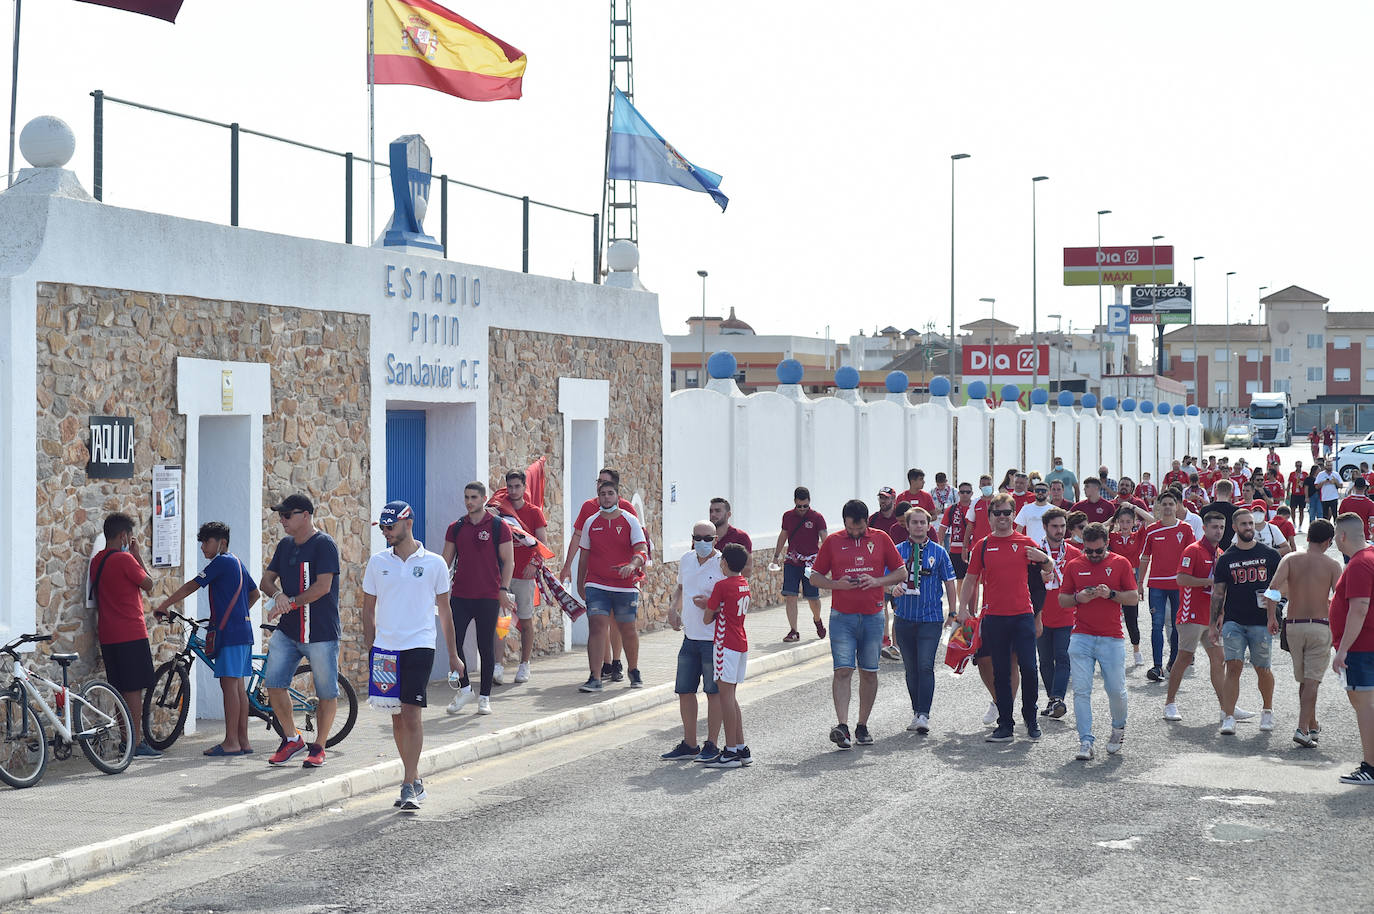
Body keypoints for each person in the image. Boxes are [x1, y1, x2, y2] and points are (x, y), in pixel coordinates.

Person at [361, 501, 461, 811]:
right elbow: (367, 609)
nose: (386, 532)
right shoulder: (377, 563)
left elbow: (445, 611)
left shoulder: (434, 564)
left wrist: (454, 656)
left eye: (391, 526)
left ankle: (407, 784)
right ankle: (414, 777)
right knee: (396, 717)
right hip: (386, 649)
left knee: (411, 712)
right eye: (383, 527)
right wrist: (372, 648)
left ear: (408, 523)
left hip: (419, 645)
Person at [153, 521, 260, 757]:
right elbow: (255, 593)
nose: (202, 547)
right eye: (201, 542)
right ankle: (243, 741)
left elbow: (193, 584)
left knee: (229, 686)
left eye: (206, 541)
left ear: (221, 542)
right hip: (243, 631)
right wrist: (239, 614)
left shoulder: (220, 562)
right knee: (238, 687)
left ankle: (231, 741)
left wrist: (165, 604)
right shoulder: (237, 562)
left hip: (230, 634)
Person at [810, 499, 905, 749]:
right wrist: (836, 585)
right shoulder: (832, 541)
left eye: (859, 529)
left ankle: (862, 725)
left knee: (869, 672)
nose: (855, 533)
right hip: (842, 617)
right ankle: (842, 726)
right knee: (842, 670)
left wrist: (877, 581)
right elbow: (815, 577)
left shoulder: (881, 538)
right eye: (850, 529)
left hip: (873, 616)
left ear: (866, 521)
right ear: (844, 523)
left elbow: (901, 572)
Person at [957, 493, 1052, 743]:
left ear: (1013, 515)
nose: (1002, 517)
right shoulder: (983, 545)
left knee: (1030, 670)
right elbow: (970, 579)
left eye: (1006, 513)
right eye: (996, 513)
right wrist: (962, 608)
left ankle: (1031, 720)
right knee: (1000, 673)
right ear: (989, 517)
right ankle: (1005, 724)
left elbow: (1049, 569)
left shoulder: (1025, 542)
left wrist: (1045, 559)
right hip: (994, 617)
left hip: (1022, 616)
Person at [259, 494, 341, 768]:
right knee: (274, 683)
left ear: (305, 515)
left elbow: (322, 588)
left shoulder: (324, 545)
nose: (281, 520)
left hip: (320, 632)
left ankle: (319, 746)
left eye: (287, 515)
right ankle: (292, 739)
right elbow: (266, 580)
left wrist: (290, 602)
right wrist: (279, 595)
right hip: (288, 631)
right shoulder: (284, 545)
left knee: (327, 691)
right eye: (279, 516)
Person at [559, 467, 644, 682]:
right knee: (598, 623)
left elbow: (640, 546)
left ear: (616, 490)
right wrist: (570, 568)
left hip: (624, 583)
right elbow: (579, 541)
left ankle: (621, 664)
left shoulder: (627, 513)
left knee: (621, 625)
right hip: (597, 581)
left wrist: (634, 566)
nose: (602, 491)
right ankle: (599, 671)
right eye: (599, 485)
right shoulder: (589, 510)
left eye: (607, 487)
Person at [1061, 523, 1138, 759]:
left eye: (1098, 551)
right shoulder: (1074, 565)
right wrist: (1078, 597)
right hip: (1081, 635)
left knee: (1115, 689)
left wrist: (1111, 594)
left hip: (1111, 637)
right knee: (1081, 691)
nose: (1093, 555)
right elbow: (1063, 600)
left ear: (1107, 544)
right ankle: (1085, 741)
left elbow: (1134, 598)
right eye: (1089, 551)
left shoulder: (1120, 563)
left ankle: (1118, 727)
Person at [91, 512, 160, 758]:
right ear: (123, 536)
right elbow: (150, 584)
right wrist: (138, 556)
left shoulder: (97, 561)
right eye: (130, 536)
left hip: (108, 634)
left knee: (119, 689)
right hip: (130, 631)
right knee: (133, 691)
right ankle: (136, 742)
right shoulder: (124, 559)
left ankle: (125, 739)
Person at [1268, 519, 1341, 748]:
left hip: (1293, 624)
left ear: (1307, 536)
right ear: (1328, 541)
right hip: (1319, 624)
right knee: (1312, 681)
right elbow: (1340, 601)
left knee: (1305, 680)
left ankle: (1311, 723)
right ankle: (1302, 728)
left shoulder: (1290, 559)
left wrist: (1272, 617)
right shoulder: (1332, 565)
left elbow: (1272, 591)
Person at [444, 482, 516, 712]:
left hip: (488, 596)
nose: (469, 501)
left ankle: (484, 696)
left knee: (485, 646)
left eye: (474, 497)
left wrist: (503, 590)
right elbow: (443, 563)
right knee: (454, 644)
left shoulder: (498, 526)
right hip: (461, 596)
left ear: (484, 499)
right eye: (466, 497)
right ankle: (465, 690)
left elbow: (509, 562)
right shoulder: (455, 527)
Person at [1210, 510, 1282, 736]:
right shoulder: (1226, 558)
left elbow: (1281, 587)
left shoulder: (1270, 555)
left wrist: (1275, 608)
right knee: (1233, 667)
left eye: (1251, 523)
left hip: (1261, 621)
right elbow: (1218, 593)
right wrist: (1214, 624)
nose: (1249, 527)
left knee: (1263, 668)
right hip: (1234, 621)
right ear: (1235, 528)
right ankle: (1229, 717)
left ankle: (1267, 711)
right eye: (1244, 524)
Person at [662, 521, 727, 763]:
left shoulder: (724, 563)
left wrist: (710, 604)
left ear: (716, 539)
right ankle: (690, 744)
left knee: (714, 692)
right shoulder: (686, 559)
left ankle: (712, 744)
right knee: (685, 691)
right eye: (696, 538)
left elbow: (734, 597)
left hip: (713, 639)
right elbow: (681, 588)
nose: (701, 543)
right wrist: (672, 608)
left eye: (706, 538)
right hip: (690, 637)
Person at [889, 507, 958, 734]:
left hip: (930, 619)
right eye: (914, 523)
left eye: (922, 522)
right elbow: (886, 580)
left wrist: (953, 612)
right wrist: (893, 588)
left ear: (929, 525)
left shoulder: (939, 552)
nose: (919, 526)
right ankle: (916, 711)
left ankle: (924, 714)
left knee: (925, 666)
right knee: (911, 669)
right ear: (907, 526)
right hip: (904, 618)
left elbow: (949, 582)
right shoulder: (897, 551)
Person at [1166, 511, 1235, 722]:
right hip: (1191, 613)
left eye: (1222, 527)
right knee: (1184, 657)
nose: (1219, 531)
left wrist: (1221, 612)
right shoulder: (1193, 550)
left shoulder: (1220, 553)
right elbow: (1181, 579)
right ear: (1204, 528)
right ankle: (1169, 703)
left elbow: (1221, 589)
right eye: (1215, 527)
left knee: (1219, 659)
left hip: (1211, 617)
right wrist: (1209, 582)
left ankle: (1226, 707)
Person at [697, 543, 752, 769]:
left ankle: (729, 751)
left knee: (725, 697)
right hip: (740, 642)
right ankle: (740, 746)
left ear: (724, 563)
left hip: (724, 644)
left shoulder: (722, 585)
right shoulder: (744, 584)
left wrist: (710, 607)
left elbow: (707, 619)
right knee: (732, 696)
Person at [493, 469, 549, 685]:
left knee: (526, 621)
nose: (514, 490)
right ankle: (498, 665)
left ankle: (524, 665)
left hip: (525, 575)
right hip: (504, 577)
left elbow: (541, 545)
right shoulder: (500, 511)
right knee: (502, 621)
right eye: (510, 486)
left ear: (525, 488)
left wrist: (535, 565)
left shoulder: (534, 512)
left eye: (518, 486)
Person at [1331, 513, 1374, 784]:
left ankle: (1369, 767)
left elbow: (1359, 608)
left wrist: (1342, 649)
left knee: (1364, 705)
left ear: (1342, 536)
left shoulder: (1359, 564)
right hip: (1365, 644)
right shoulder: (1369, 558)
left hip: (1360, 647)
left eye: (1336, 535)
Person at [1137, 491, 1196, 682]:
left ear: (1177, 506)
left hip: (1179, 585)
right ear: (1159, 507)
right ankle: (1157, 666)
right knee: (1156, 625)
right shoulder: (1152, 530)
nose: (1168, 507)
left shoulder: (1185, 529)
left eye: (1172, 504)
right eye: (1165, 504)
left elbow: (1193, 555)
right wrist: (1140, 583)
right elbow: (1145, 557)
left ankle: (1173, 661)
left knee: (1178, 625)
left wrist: (1193, 582)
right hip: (1157, 586)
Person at [1036, 507, 1079, 720]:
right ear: (1045, 527)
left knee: (1063, 657)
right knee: (1044, 660)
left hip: (1066, 615)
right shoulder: (1035, 552)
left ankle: (1057, 698)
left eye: (1063, 526)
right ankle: (1053, 701)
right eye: (1055, 526)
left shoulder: (1075, 553)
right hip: (1040, 615)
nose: (1059, 530)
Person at [775, 486, 827, 643]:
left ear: (809, 502)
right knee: (790, 596)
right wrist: (776, 556)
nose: (802, 509)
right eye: (799, 506)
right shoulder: (788, 516)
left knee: (812, 598)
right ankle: (793, 631)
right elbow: (783, 535)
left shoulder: (817, 517)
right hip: (792, 561)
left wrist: (827, 561)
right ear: (794, 503)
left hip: (810, 565)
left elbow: (825, 539)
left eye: (805, 506)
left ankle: (817, 620)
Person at [1108, 504, 1146, 666]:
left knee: (1132, 617)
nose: (1124, 525)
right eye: (1121, 522)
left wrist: (1133, 507)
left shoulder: (1138, 536)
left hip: (1132, 577)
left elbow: (1151, 519)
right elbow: (1096, 528)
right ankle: (1111, 652)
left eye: (1128, 522)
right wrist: (1112, 520)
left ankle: (1136, 650)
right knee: (1111, 617)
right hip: (1114, 577)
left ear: (1134, 522)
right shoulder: (1112, 536)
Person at [939, 482, 973, 579]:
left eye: (968, 492)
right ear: (958, 493)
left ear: (972, 493)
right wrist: (939, 546)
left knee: (975, 578)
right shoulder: (952, 509)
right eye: (962, 492)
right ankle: (961, 595)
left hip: (974, 548)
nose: (965, 494)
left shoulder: (976, 507)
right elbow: (942, 528)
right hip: (956, 549)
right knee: (960, 579)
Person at [1201, 479, 1240, 549]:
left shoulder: (1205, 510)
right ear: (1231, 492)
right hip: (1230, 548)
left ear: (1216, 491)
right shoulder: (1236, 511)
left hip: (1209, 547)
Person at [1288, 461, 1307, 530]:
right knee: (1292, 509)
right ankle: (1294, 523)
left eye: (1300, 466)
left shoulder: (1304, 474)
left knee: (1301, 509)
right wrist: (1287, 494)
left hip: (1302, 494)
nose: (1298, 467)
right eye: (1297, 466)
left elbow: (1307, 484)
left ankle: (1300, 525)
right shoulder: (1292, 474)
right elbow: (1289, 484)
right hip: (1294, 494)